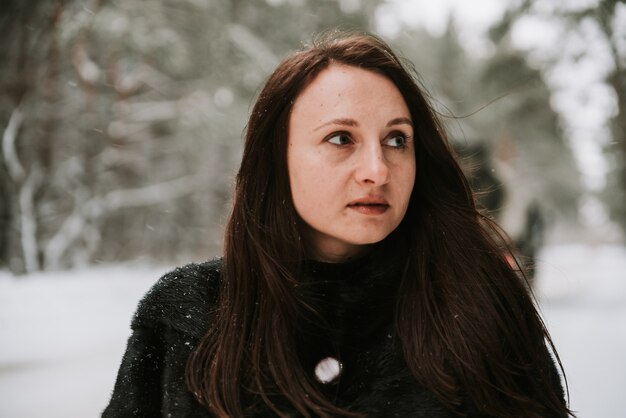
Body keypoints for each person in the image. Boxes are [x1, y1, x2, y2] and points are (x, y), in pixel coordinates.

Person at [102, 31, 573, 417]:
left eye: (396, 140)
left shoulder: (479, 307)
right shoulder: (189, 316)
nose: (377, 169)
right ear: (276, 158)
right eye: (341, 137)